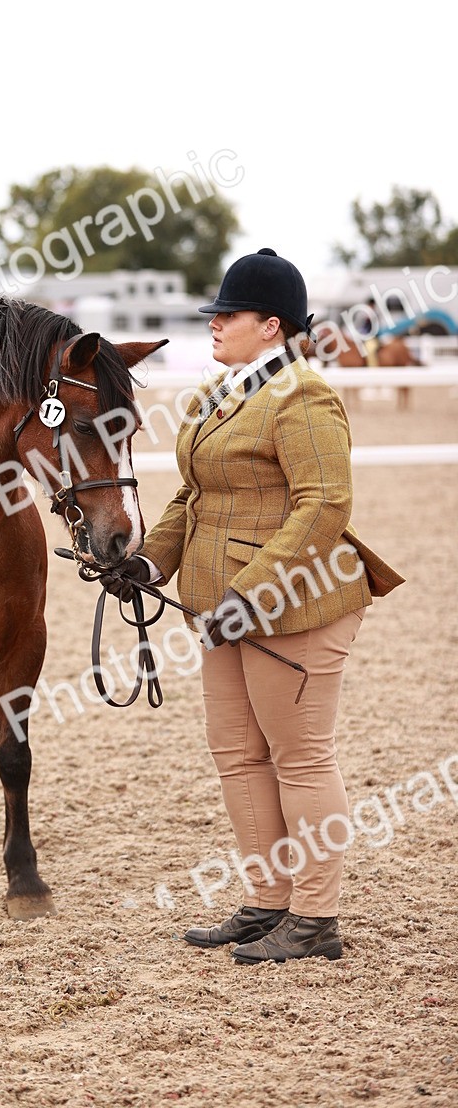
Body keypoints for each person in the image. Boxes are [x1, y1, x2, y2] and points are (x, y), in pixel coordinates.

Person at [103, 247, 404, 964]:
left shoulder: (302, 395)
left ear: (271, 325)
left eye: (228, 315)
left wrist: (254, 591)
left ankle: (316, 916)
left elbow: (325, 503)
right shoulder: (220, 393)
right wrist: (152, 561)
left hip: (295, 607)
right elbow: (194, 495)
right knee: (238, 754)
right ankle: (268, 903)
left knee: (299, 758)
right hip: (220, 607)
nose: (214, 325)